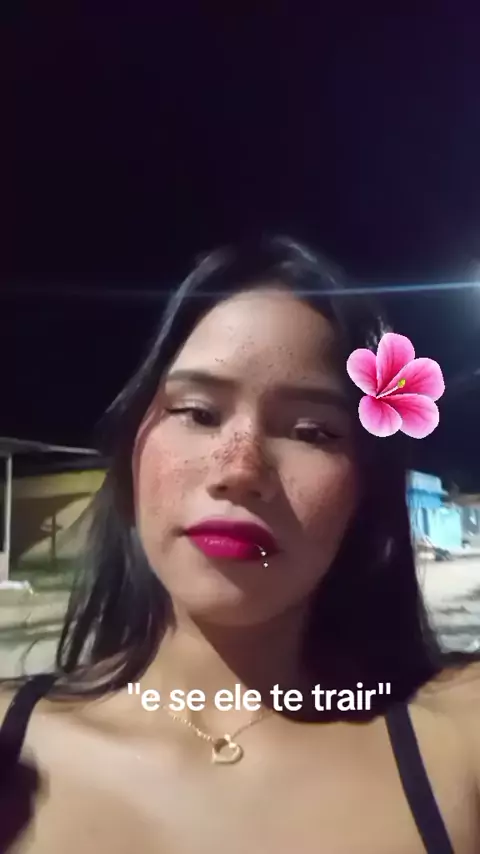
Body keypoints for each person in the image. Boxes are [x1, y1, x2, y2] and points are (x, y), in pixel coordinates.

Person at [1, 235, 480, 853]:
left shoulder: (460, 736)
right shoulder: (13, 747)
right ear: (132, 456)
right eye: (199, 413)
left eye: (311, 430)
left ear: (366, 490)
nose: (240, 468)